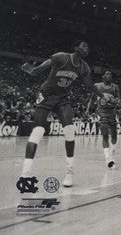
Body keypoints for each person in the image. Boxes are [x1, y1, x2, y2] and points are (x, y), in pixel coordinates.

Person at [20, 41, 109, 187]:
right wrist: (29, 69)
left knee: (70, 131)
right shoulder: (61, 57)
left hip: (62, 98)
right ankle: (26, 173)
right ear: (76, 48)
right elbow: (37, 71)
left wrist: (102, 95)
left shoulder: (83, 67)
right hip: (46, 95)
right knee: (38, 131)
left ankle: (69, 174)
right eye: (84, 46)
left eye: (88, 47)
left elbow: (89, 85)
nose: (87, 48)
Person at [88, 70, 121, 169]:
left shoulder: (115, 87)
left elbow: (119, 100)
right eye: (106, 74)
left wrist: (114, 101)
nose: (109, 75)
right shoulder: (97, 86)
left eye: (110, 74)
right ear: (103, 77)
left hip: (112, 114)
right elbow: (92, 98)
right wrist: (88, 109)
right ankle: (108, 159)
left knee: (114, 137)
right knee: (105, 135)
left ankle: (111, 153)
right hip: (102, 114)